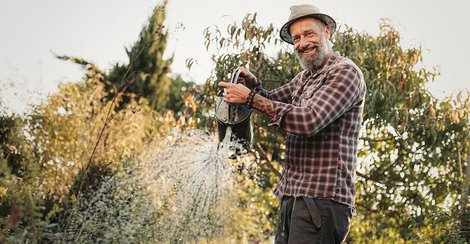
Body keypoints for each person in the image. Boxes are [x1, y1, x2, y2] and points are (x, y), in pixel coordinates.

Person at [218, 4, 367, 243]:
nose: (302, 43)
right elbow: (271, 99)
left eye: (309, 34)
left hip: (322, 199)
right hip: (294, 196)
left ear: (326, 32)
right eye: (296, 38)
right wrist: (254, 86)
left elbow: (310, 119)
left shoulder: (345, 73)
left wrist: (249, 96)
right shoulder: (304, 79)